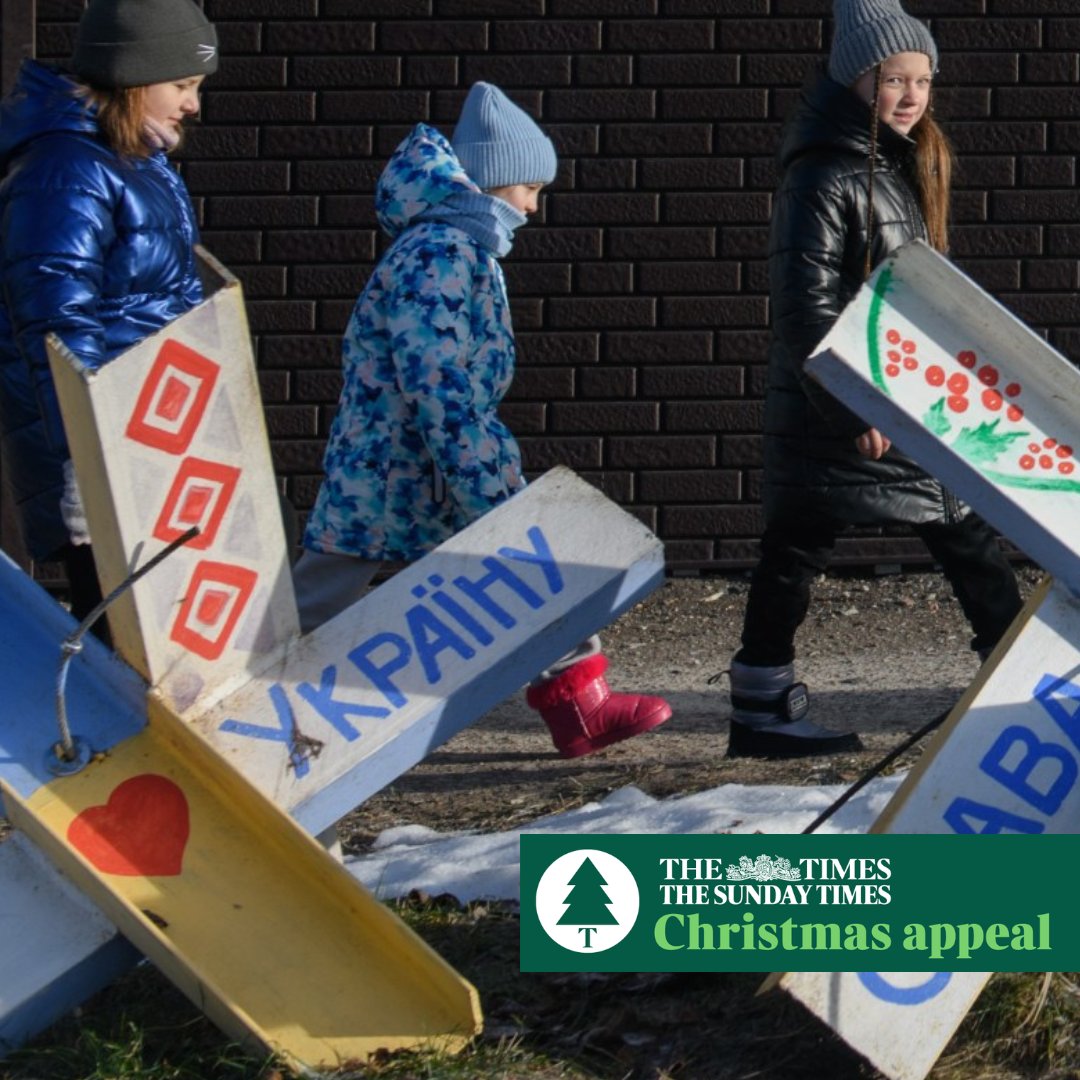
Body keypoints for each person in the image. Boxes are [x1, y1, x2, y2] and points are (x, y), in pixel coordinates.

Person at [293, 82, 672, 759]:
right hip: (405, 467)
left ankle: (580, 705)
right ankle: (240, 703)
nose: (533, 206)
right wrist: (482, 468)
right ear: (494, 183)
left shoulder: (455, 248)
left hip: (405, 465)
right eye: (530, 188)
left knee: (505, 570)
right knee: (328, 594)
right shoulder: (443, 253)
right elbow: (436, 378)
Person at [725, 0, 1023, 758]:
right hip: (854, 401)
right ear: (855, 80)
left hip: (882, 396)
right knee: (956, 533)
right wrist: (846, 400)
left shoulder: (886, 164)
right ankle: (1020, 689)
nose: (913, 95)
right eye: (895, 78)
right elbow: (805, 302)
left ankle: (761, 703)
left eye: (922, 80)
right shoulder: (827, 173)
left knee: (817, 543)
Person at [0, 0, 218, 627]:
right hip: (108, 450)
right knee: (126, 645)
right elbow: (55, 319)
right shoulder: (66, 170)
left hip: (150, 436)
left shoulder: (135, 162)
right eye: (182, 85)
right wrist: (85, 461)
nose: (193, 104)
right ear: (132, 78)